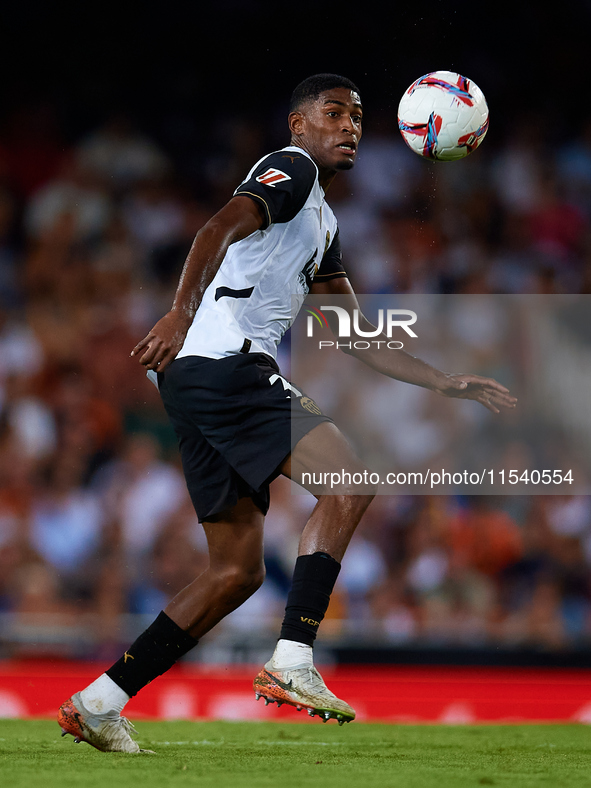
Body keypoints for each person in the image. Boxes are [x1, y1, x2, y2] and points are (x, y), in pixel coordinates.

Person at [57, 73, 516, 753]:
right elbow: (218, 225)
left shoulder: (320, 221)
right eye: (334, 114)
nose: (350, 128)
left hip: (197, 376)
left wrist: (442, 381)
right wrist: (179, 314)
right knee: (351, 481)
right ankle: (294, 659)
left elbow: (352, 332)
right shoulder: (290, 168)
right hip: (226, 361)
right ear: (299, 124)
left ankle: (100, 702)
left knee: (235, 571)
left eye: (358, 119)